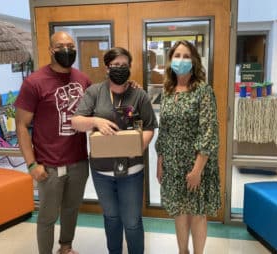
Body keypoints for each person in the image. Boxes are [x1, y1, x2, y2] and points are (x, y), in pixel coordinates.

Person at [71, 47, 157, 254]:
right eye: (115, 65)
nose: (119, 69)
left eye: (124, 65)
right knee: (111, 218)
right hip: (102, 172)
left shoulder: (139, 94)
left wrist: (135, 147)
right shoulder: (95, 92)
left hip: (132, 171)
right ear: (107, 67)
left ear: (130, 67)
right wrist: (95, 120)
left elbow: (149, 127)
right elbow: (76, 122)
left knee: (132, 221)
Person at [14, 31, 91, 254]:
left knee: (71, 210)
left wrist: (129, 86)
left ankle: (66, 247)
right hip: (48, 165)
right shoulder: (34, 82)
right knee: (48, 217)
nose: (66, 50)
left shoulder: (82, 79)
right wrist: (31, 164)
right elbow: (21, 126)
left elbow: (101, 103)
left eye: (70, 45)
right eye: (60, 46)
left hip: (78, 161)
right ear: (51, 50)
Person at [155, 40, 221, 254]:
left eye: (185, 56)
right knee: (179, 211)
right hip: (172, 163)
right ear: (170, 60)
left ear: (194, 61)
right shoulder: (167, 91)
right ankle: (182, 251)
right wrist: (160, 162)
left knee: (197, 212)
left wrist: (197, 170)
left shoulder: (203, 90)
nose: (180, 60)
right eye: (176, 55)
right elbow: (163, 130)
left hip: (196, 164)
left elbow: (209, 132)